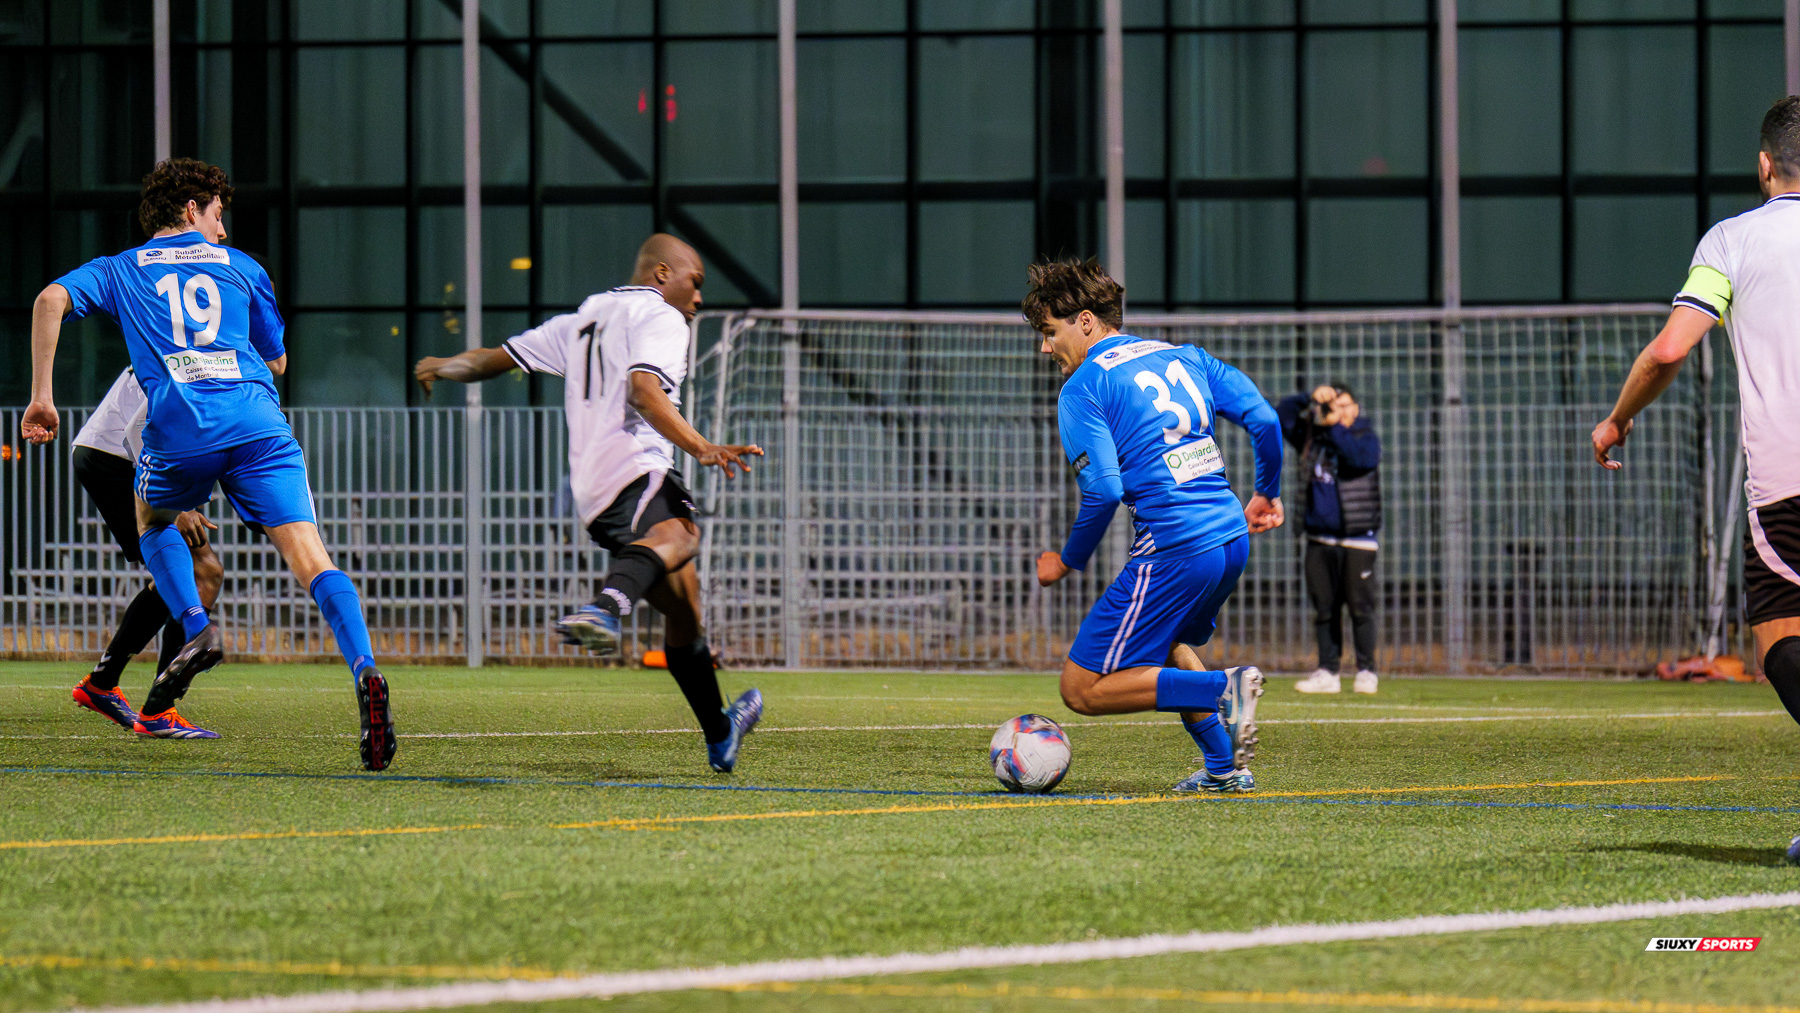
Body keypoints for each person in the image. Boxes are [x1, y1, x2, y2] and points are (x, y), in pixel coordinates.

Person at [21, 157, 395, 770]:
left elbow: (48, 300)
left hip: (180, 425)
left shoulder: (119, 269)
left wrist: (43, 395)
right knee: (312, 557)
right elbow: (276, 362)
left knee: (155, 519)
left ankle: (196, 626)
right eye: (219, 213)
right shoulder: (244, 267)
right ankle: (366, 670)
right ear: (192, 210)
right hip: (258, 424)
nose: (223, 227)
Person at [413, 233, 766, 774]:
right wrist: (704, 447)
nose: (698, 300)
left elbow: (493, 359)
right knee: (683, 536)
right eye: (695, 284)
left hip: (592, 494)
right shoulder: (663, 318)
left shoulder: (582, 318)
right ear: (662, 274)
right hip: (637, 467)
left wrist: (441, 364)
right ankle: (604, 608)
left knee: (684, 608)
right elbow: (644, 390)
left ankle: (721, 733)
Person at [1591, 96, 1800, 866]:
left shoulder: (1734, 239)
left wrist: (1617, 418)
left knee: (1782, 636)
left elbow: (1672, 350)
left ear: (1765, 164)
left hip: (1788, 482)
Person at [1026, 258, 1286, 794]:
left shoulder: (1082, 389)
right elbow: (1264, 418)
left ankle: (1223, 688)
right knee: (1168, 648)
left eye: (1050, 333)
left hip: (1175, 547)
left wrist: (1068, 561)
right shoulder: (1184, 357)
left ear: (1088, 322)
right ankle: (1224, 769)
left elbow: (1103, 490)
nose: (1046, 349)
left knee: (1082, 690)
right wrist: (1267, 492)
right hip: (1229, 537)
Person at [69, 367, 227, 736]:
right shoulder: (205, 354)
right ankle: (157, 708)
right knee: (202, 572)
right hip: (115, 458)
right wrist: (174, 500)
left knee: (202, 572)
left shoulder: (207, 346)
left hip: (111, 455)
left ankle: (105, 684)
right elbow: (137, 429)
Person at [1275, 383, 1383, 694]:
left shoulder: (1365, 437)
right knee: (1325, 608)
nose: (1339, 410)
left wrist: (1334, 424)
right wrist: (1310, 397)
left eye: (1345, 405)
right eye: (1334, 405)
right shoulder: (1313, 436)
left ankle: (1366, 671)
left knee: (1360, 607)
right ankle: (1328, 671)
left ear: (1356, 408)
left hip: (1357, 539)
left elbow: (1358, 460)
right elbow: (1281, 416)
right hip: (1319, 538)